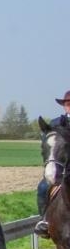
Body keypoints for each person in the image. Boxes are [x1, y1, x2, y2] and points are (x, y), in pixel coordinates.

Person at [38, 91, 70, 235]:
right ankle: (44, 220)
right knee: (43, 187)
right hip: (62, 167)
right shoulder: (55, 123)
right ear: (64, 105)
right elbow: (49, 143)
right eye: (68, 104)